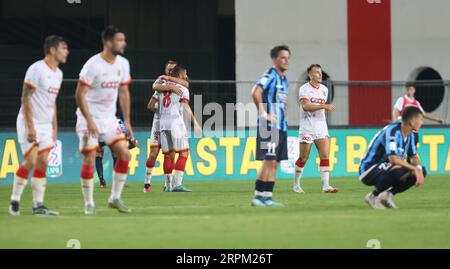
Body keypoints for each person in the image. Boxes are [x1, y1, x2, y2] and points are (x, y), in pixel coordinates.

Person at [75, 25, 134, 215]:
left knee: (125, 154)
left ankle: (114, 198)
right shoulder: (93, 65)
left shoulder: (123, 64)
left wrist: (127, 121)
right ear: (109, 42)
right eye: (120, 40)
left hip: (109, 119)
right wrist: (89, 120)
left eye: (124, 40)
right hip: (88, 118)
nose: (123, 43)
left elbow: (124, 92)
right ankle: (89, 203)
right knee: (90, 157)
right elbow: (79, 94)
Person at [9, 35, 68, 216]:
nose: (67, 51)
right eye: (63, 48)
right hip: (29, 122)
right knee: (31, 161)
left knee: (42, 162)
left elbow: (52, 102)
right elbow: (25, 98)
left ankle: (38, 206)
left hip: (46, 125)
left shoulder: (58, 74)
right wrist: (31, 127)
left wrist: (54, 128)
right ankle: (15, 201)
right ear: (52, 50)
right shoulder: (36, 69)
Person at [359, 106, 427, 209]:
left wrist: (419, 169)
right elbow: (393, 159)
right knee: (399, 168)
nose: (422, 123)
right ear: (412, 121)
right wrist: (414, 168)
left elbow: (414, 157)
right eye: (420, 119)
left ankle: (387, 195)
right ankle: (373, 196)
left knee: (421, 170)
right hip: (368, 169)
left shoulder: (410, 135)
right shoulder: (392, 131)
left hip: (387, 168)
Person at [250, 45, 290, 207]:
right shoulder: (270, 74)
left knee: (275, 163)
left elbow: (283, 100)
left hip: (281, 126)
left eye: (288, 58)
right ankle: (257, 197)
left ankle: (267, 197)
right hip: (269, 126)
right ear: (274, 59)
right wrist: (263, 113)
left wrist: (285, 114)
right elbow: (255, 91)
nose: (286, 61)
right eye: (282, 57)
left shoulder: (284, 79)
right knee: (268, 160)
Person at [153, 64, 202, 192]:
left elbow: (154, 88)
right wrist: (195, 123)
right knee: (184, 152)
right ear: (180, 74)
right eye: (185, 74)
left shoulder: (162, 86)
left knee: (168, 155)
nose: (186, 76)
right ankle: (177, 184)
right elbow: (185, 107)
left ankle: (167, 185)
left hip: (163, 122)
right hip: (175, 122)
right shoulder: (183, 88)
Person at [144, 60, 189, 193]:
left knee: (170, 154)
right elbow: (151, 103)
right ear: (165, 70)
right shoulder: (161, 82)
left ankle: (167, 185)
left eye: (172, 69)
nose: (170, 71)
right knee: (154, 153)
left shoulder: (178, 84)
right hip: (158, 124)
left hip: (167, 123)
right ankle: (147, 183)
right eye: (168, 69)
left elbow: (186, 83)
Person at [293, 64, 339, 194]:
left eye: (320, 72)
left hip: (321, 127)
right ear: (310, 74)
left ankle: (326, 186)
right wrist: (324, 106)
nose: (319, 75)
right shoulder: (304, 89)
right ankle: (296, 184)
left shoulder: (324, 89)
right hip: (307, 127)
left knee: (325, 156)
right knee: (303, 158)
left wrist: (323, 106)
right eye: (316, 72)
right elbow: (306, 106)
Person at [95, 117, 137, 188]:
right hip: (111, 133)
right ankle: (118, 181)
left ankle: (102, 181)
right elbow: (133, 143)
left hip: (102, 131)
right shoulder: (122, 125)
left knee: (99, 152)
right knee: (116, 154)